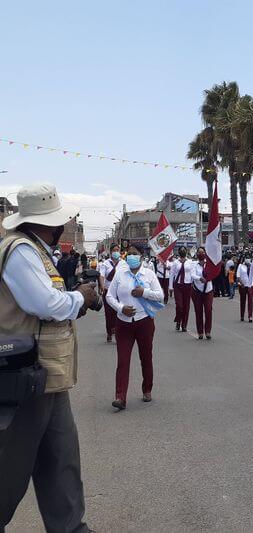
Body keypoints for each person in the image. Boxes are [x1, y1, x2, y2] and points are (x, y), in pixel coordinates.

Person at [0, 183, 100, 532]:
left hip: (49, 376)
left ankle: (71, 528)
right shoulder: (21, 251)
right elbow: (45, 304)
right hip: (25, 377)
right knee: (10, 471)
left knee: (61, 461)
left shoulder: (36, 251)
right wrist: (80, 298)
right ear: (51, 224)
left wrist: (76, 301)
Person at [105, 244, 164, 410]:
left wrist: (144, 292)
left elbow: (160, 296)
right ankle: (120, 396)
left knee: (146, 357)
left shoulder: (149, 274)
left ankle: (147, 389)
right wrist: (120, 308)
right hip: (123, 323)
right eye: (129, 254)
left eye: (134, 254)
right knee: (123, 360)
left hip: (144, 321)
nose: (131, 256)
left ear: (141, 256)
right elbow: (110, 296)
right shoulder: (120, 274)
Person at [98, 242, 125, 342]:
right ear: (110, 252)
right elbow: (101, 276)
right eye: (114, 250)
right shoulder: (105, 263)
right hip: (108, 291)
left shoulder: (123, 263)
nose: (116, 252)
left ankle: (118, 333)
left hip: (120, 291)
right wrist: (102, 286)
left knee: (119, 312)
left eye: (117, 250)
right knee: (109, 313)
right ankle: (109, 332)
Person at [190, 246, 214, 340]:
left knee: (208, 310)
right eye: (199, 252)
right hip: (197, 291)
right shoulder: (193, 264)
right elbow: (192, 275)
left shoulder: (209, 264)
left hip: (208, 290)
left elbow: (213, 273)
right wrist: (199, 278)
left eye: (203, 252)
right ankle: (200, 332)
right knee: (198, 311)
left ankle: (208, 331)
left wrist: (208, 278)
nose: (201, 254)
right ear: (197, 254)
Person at [169, 246, 193, 332]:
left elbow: (192, 273)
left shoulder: (190, 262)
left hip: (187, 285)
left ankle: (184, 325)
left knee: (186, 306)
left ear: (186, 252)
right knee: (179, 305)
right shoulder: (175, 262)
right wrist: (170, 287)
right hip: (178, 285)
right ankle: (178, 320)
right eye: (181, 250)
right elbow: (171, 274)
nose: (182, 251)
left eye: (184, 250)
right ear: (179, 252)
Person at [236, 256, 253, 322]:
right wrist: (241, 282)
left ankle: (250, 316)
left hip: (250, 285)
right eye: (246, 258)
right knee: (242, 301)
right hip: (242, 286)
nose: (247, 259)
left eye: (248, 258)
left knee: (250, 301)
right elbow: (238, 276)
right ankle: (242, 316)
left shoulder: (252, 265)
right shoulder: (240, 266)